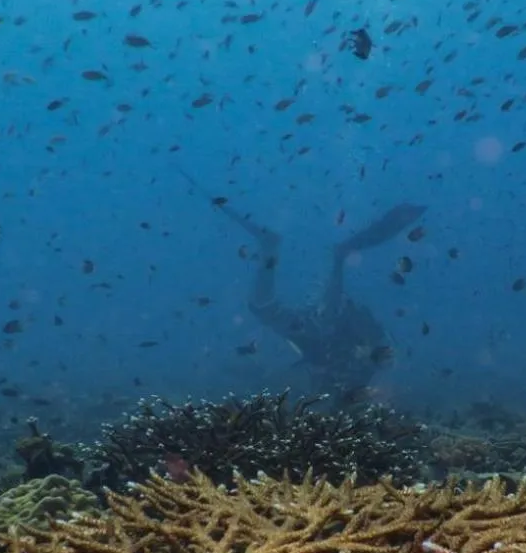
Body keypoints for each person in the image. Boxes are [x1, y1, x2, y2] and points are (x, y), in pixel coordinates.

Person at [180, 171, 426, 401]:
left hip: (319, 332)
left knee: (265, 308)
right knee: (270, 308)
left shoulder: (348, 378)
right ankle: (292, 250)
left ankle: (274, 248)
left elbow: (374, 356)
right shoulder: (358, 367)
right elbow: (378, 353)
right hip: (323, 330)